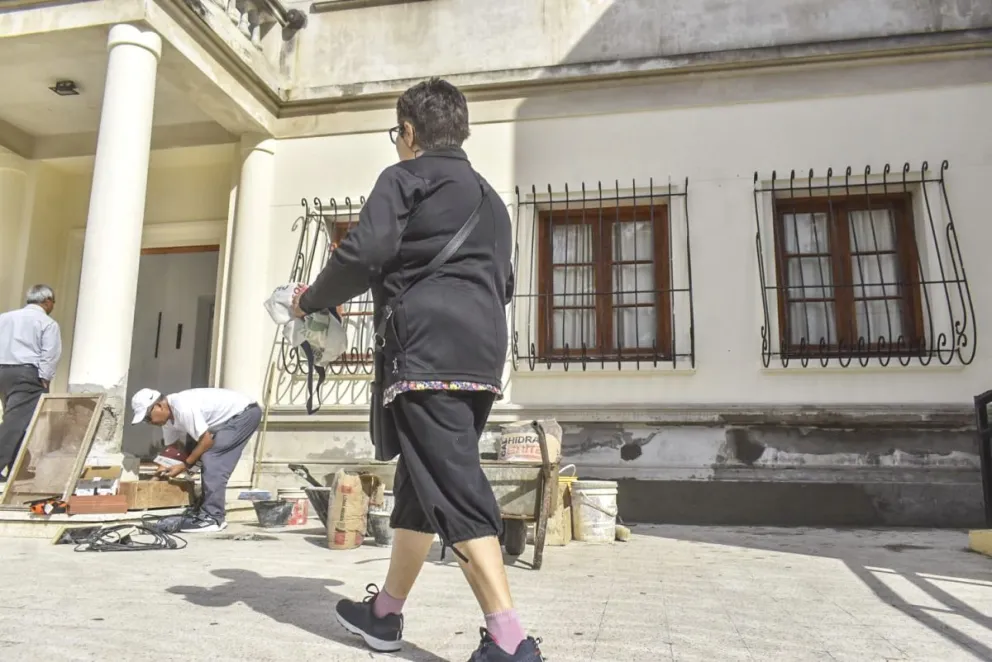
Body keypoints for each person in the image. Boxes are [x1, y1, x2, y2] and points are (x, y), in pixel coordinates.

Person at [294, 78, 542, 661]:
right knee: (420, 483)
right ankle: (384, 615)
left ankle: (510, 640)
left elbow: (364, 252)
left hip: (427, 352)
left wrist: (311, 300)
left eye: (396, 132)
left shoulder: (404, 178)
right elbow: (503, 283)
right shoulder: (489, 198)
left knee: (453, 485)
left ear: (408, 132)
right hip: (481, 354)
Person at [130, 387, 261, 533]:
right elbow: (173, 449)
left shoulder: (182, 408)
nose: (149, 422)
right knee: (196, 453)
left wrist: (185, 465)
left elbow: (206, 441)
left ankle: (213, 518)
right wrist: (158, 474)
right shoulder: (167, 420)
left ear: (159, 405)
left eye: (148, 417)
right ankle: (202, 509)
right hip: (226, 420)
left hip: (245, 414)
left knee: (212, 457)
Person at [0, 284, 62, 482]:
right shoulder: (47, 323)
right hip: (27, 374)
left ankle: (17, 470)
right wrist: (45, 379)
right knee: (15, 423)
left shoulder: (5, 318)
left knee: (20, 421)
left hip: (3, 372)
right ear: (47, 301)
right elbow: (49, 354)